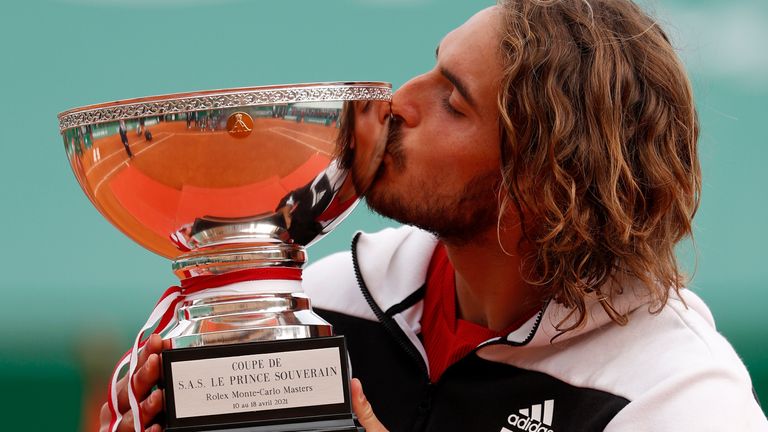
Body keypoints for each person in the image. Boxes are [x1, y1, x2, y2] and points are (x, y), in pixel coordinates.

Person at [101, 1, 768, 431]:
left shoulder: (677, 401)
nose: (399, 101)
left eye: (454, 101)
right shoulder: (328, 299)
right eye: (432, 69)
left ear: (543, 180)